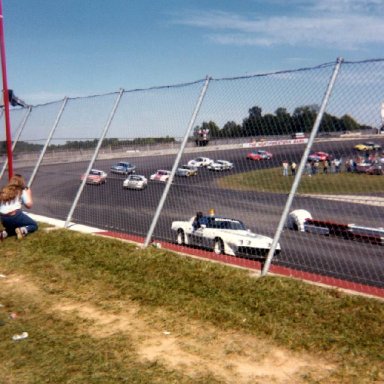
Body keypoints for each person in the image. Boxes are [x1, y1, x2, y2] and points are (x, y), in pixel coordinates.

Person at [0, 174, 38, 240]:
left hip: (3, 217)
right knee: (34, 225)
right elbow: (29, 205)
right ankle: (22, 230)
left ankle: (4, 233)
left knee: (13, 228)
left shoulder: (4, 190)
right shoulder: (21, 191)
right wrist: (29, 193)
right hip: (15, 215)